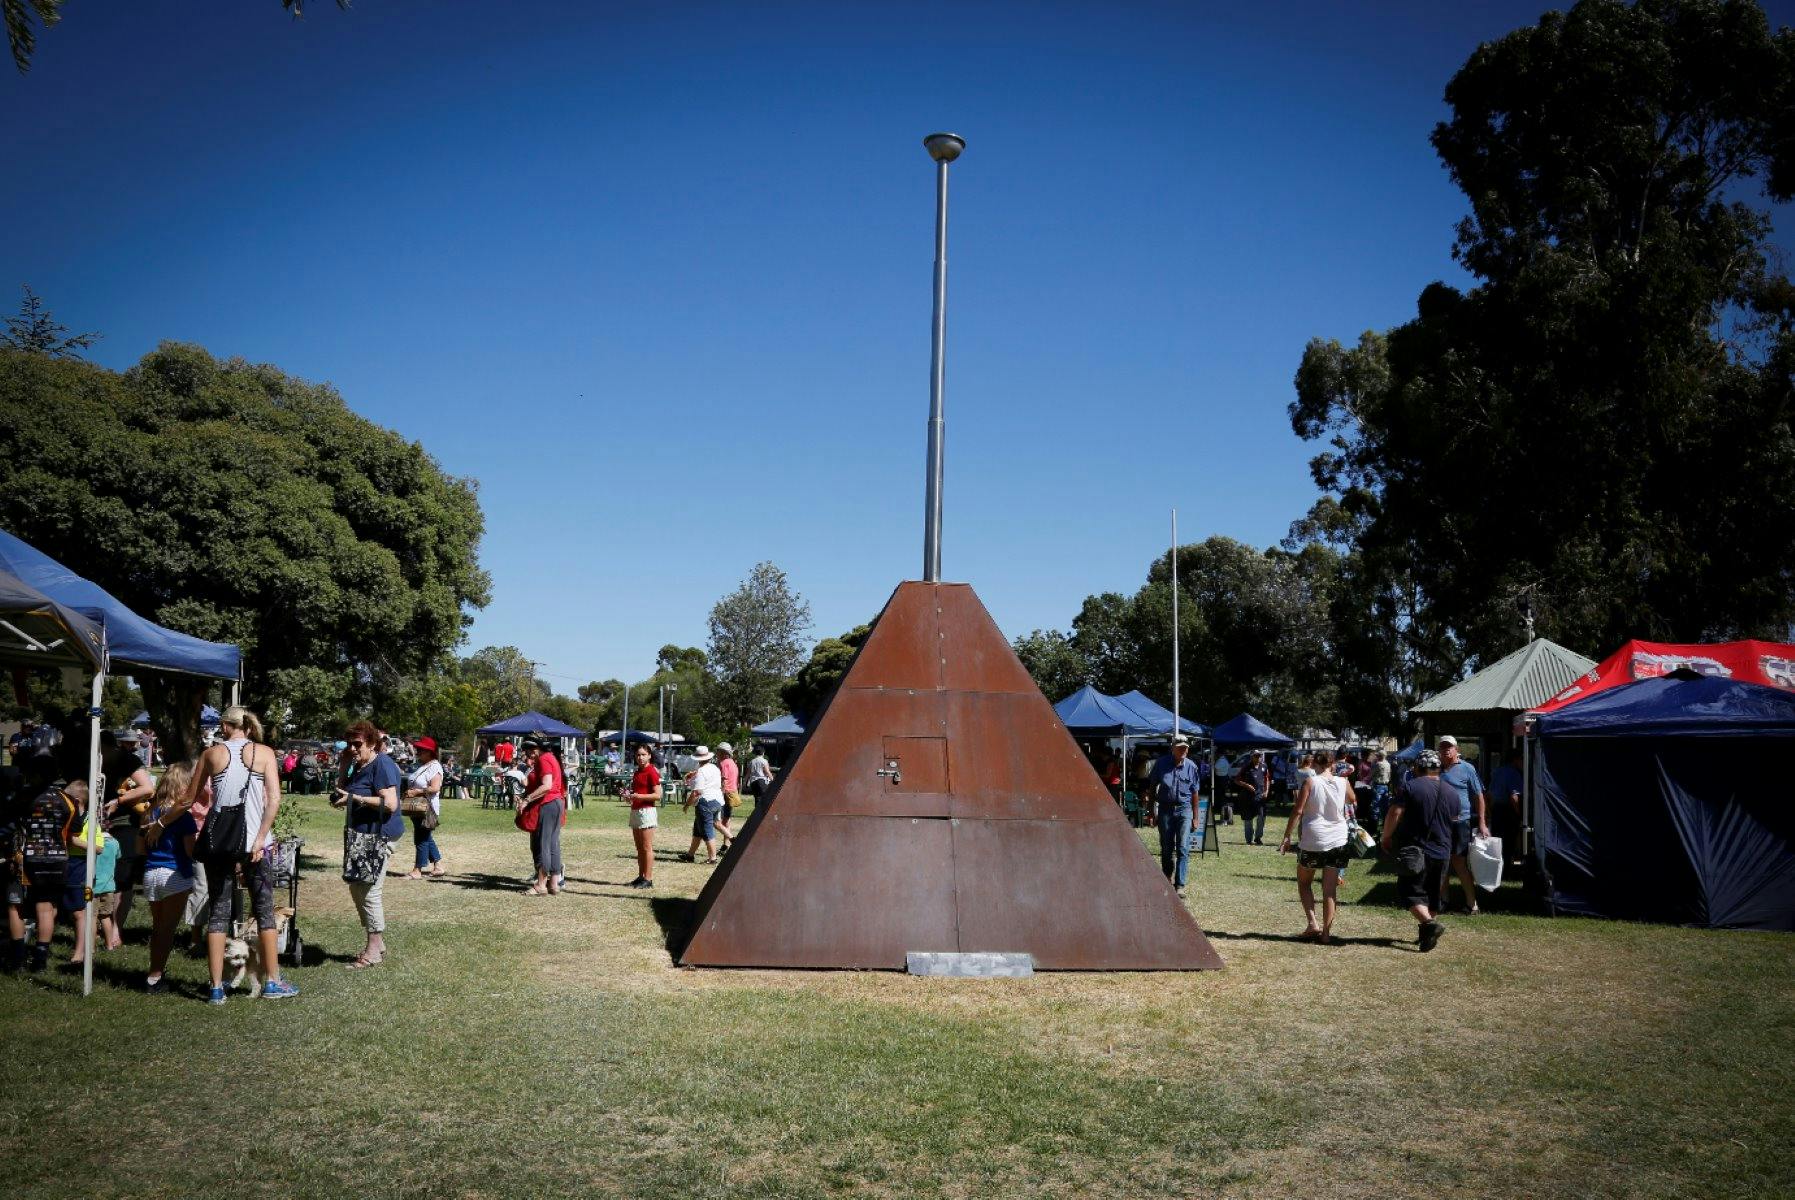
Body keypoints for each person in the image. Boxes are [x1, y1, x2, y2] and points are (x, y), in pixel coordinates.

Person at [187, 706, 297, 1002]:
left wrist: (161, 822)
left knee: (219, 912)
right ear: (247, 726)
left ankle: (215, 987)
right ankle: (272, 982)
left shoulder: (211, 754)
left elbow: (191, 797)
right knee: (264, 910)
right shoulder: (264, 753)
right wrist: (260, 839)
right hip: (256, 844)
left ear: (224, 726)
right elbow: (274, 799)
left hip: (220, 843)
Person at [333, 719, 403, 969]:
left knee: (370, 891)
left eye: (357, 744)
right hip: (360, 835)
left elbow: (391, 804)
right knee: (356, 887)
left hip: (380, 835)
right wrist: (343, 766)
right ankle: (378, 943)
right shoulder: (359, 765)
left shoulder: (382, 764)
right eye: (349, 744)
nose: (352, 748)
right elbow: (343, 791)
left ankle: (373, 949)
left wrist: (356, 798)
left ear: (372, 743)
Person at [1380, 748, 1455, 951]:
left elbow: (1394, 813)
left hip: (1417, 849)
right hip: (1443, 850)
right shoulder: (1451, 791)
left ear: (1417, 767)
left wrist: (1386, 836)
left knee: (1409, 891)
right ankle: (1427, 936)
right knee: (1432, 895)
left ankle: (1430, 924)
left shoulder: (1410, 787)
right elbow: (1455, 818)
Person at [1279, 748, 1351, 943]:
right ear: (1333, 763)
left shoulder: (1310, 782)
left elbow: (1298, 810)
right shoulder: (1343, 781)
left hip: (1314, 838)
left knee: (1304, 883)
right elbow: (1352, 799)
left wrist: (1287, 836)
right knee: (1329, 890)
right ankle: (1326, 934)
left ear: (1314, 764)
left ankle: (1312, 923)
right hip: (1338, 839)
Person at [140, 762, 197, 993]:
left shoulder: (149, 812)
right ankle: (155, 976)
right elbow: (190, 851)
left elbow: (140, 848)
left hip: (150, 872)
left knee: (158, 927)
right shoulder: (184, 818)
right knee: (167, 929)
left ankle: (155, 970)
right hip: (174, 874)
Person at [100, 729, 154, 931]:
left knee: (122, 877)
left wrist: (119, 801)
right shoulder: (92, 761)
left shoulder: (127, 759)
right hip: (98, 824)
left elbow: (147, 788)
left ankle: (116, 928)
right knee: (102, 876)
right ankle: (102, 925)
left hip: (124, 823)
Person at [1436, 736, 1488, 915]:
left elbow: (1479, 796)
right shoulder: (1434, 769)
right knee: (1441, 862)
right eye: (1443, 747)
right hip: (1439, 823)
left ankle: (1472, 904)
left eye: (1449, 747)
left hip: (1460, 822)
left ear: (1456, 749)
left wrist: (1482, 822)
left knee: (1459, 863)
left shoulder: (1467, 768)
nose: (1446, 750)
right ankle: (1443, 900)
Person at [1147, 736, 1201, 896]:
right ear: (1173, 749)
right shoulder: (1161, 764)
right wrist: (1151, 812)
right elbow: (1152, 788)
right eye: (1180, 747)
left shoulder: (1192, 767)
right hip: (1165, 809)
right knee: (1166, 847)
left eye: (1185, 748)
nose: (1183, 750)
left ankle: (1180, 885)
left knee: (1183, 847)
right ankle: (1167, 879)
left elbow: (1195, 793)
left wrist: (1195, 817)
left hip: (1185, 810)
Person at [520, 736, 566, 895]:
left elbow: (546, 785)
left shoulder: (543, 759)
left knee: (543, 844)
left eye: (529, 753)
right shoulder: (551, 757)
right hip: (557, 802)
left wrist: (527, 799)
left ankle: (541, 884)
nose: (529, 757)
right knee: (553, 844)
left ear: (536, 750)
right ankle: (554, 884)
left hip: (548, 803)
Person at [404, 736, 446, 880]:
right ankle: (438, 866)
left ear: (429, 752)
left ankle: (417, 870)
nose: (418, 751)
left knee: (421, 838)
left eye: (421, 749)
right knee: (426, 837)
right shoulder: (424, 765)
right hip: (418, 807)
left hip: (427, 808)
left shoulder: (435, 767)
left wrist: (417, 791)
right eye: (418, 749)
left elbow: (435, 788)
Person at [624, 743, 661, 889]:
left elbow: (658, 795)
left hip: (647, 812)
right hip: (636, 811)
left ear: (649, 756)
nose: (640, 757)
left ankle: (648, 879)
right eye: (638, 755)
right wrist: (630, 797)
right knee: (639, 848)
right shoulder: (637, 772)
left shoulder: (652, 771)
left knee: (647, 847)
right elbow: (637, 792)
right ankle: (641, 877)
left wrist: (638, 796)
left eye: (643, 754)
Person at [680, 745, 725, 865]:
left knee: (706, 830)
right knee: (698, 830)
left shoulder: (701, 771)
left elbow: (697, 792)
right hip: (717, 801)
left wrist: (687, 805)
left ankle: (713, 858)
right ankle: (690, 855)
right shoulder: (714, 768)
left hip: (705, 802)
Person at [1486, 747, 1524, 865]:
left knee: (1498, 842)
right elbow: (1514, 797)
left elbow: (1489, 795)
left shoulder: (1497, 772)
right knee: (1509, 843)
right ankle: (1507, 868)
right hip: (1508, 812)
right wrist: (1520, 815)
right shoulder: (1514, 773)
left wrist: (1490, 812)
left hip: (1496, 810)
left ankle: (1497, 868)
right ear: (1516, 759)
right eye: (1522, 759)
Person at [1232, 751, 1271, 846]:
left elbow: (1267, 779)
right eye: (1256, 756)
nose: (1258, 758)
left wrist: (1266, 791)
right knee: (1248, 818)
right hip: (1248, 797)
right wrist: (1247, 785)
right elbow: (1236, 780)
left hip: (1260, 796)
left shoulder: (1264, 766)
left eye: (1259, 756)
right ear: (1252, 757)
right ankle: (1249, 839)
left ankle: (1258, 837)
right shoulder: (1246, 767)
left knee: (1261, 816)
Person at [715, 742, 740, 851]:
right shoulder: (733, 763)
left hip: (725, 795)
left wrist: (720, 795)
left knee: (716, 821)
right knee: (726, 820)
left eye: (718, 751)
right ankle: (725, 845)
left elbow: (723, 780)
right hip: (732, 793)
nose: (716, 753)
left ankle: (731, 839)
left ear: (723, 753)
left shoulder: (724, 763)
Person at [746, 744, 773, 809]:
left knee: (757, 798)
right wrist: (772, 779)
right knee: (765, 797)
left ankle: (757, 812)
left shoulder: (752, 761)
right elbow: (767, 771)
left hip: (753, 782)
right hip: (761, 781)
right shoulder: (764, 761)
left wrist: (745, 782)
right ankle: (763, 811)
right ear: (763, 753)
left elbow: (748, 773)